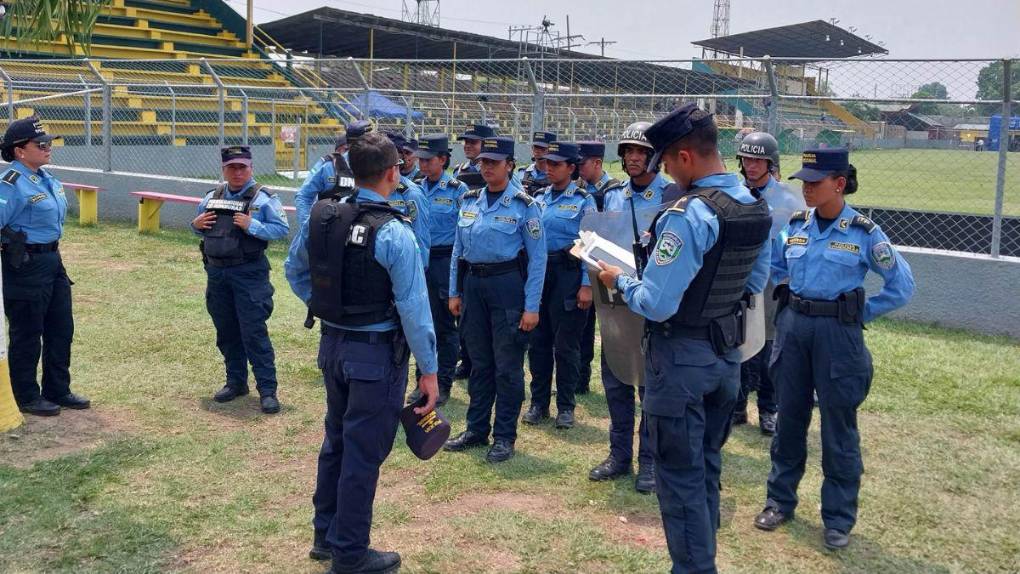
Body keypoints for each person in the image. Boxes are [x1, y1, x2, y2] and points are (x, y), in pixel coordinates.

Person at [597, 103, 773, 574]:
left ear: (685, 157)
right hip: (726, 356)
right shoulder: (753, 206)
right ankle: (703, 553)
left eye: (668, 163)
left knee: (679, 480)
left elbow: (656, 302)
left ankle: (695, 566)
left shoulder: (688, 214)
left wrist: (618, 280)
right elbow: (756, 282)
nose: (667, 173)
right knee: (707, 465)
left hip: (680, 363)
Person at [284, 131, 439, 574]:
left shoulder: (323, 216)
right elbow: (413, 307)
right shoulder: (392, 230)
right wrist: (429, 371)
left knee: (337, 439)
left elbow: (295, 270)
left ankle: (325, 534)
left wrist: (330, 309)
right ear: (395, 172)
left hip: (332, 345)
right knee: (361, 452)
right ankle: (350, 553)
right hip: (373, 356)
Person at [754, 148, 915, 551]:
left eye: (815, 182)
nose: (806, 189)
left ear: (839, 184)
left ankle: (838, 518)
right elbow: (775, 265)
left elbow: (902, 287)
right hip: (794, 328)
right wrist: (789, 291)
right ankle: (779, 501)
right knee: (790, 418)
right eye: (804, 181)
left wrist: (859, 313)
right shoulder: (793, 225)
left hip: (837, 335)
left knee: (838, 427)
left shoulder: (863, 232)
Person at [443, 136, 546, 463]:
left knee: (507, 367)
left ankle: (504, 436)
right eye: (483, 162)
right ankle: (476, 428)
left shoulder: (524, 206)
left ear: (509, 165)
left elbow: (538, 259)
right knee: (479, 363)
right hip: (474, 285)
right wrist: (454, 291)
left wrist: (531, 307)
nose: (486, 167)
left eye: (493, 162)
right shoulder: (470, 200)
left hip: (507, 288)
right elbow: (458, 251)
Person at [589, 121, 670, 494]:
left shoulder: (672, 196)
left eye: (641, 152)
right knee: (616, 378)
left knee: (650, 386)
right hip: (615, 301)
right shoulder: (612, 195)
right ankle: (619, 455)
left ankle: (649, 462)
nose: (634, 158)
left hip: (651, 299)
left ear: (655, 157)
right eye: (628, 152)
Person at [191, 146, 290, 414]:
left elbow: (282, 229)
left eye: (242, 167)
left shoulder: (264, 198)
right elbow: (200, 228)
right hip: (217, 273)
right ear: (223, 170)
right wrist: (195, 224)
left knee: (253, 332)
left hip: (249, 274)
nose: (237, 172)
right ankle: (236, 382)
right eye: (231, 168)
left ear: (251, 168)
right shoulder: (212, 197)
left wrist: (252, 226)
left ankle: (267, 390)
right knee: (226, 330)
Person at [0, 116, 87, 416]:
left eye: (49, 142)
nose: (48, 147)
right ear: (19, 151)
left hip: (52, 261)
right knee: (27, 331)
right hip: (25, 265)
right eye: (41, 144)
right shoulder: (10, 183)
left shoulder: (46, 178)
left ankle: (57, 389)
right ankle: (25, 394)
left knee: (61, 327)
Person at [523, 142, 595, 429]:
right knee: (538, 343)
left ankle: (566, 406)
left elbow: (590, 245)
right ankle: (538, 403)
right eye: (547, 163)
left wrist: (587, 284)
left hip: (568, 274)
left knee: (566, 345)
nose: (548, 168)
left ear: (571, 168)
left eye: (556, 164)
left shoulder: (583, 200)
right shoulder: (538, 199)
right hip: (541, 275)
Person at [732, 131, 789, 435]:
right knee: (737, 341)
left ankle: (769, 408)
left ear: (770, 163)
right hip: (736, 275)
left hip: (772, 279)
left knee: (768, 346)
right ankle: (737, 405)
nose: (752, 165)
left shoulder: (786, 198)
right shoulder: (733, 192)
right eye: (747, 159)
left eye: (759, 160)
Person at [408, 134, 469, 407]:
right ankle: (421, 379)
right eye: (419, 159)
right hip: (419, 261)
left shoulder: (458, 191)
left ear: (443, 160)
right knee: (420, 322)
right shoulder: (414, 189)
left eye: (428, 159)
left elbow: (464, 234)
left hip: (446, 262)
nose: (422, 164)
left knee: (444, 326)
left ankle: (443, 383)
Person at [575, 141, 625, 394]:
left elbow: (614, 230)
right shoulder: (578, 189)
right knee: (582, 328)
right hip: (583, 266)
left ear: (597, 163)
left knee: (611, 327)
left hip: (606, 267)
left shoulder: (614, 191)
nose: (578, 168)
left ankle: (615, 379)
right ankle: (580, 378)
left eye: (582, 163)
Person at [451, 123, 496, 381]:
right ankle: (466, 359)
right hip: (467, 250)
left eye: (474, 142)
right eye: (465, 141)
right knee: (465, 317)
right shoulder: (460, 172)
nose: (468, 145)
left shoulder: (499, 174)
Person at [294, 120, 373, 226]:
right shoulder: (329, 166)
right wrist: (308, 227)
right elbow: (304, 196)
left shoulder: (382, 166)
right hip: (330, 229)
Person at [383, 131, 432, 269]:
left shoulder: (411, 194)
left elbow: (420, 238)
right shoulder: (368, 189)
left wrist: (419, 272)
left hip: (402, 269)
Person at [452, 123, 496, 192]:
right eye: (466, 142)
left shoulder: (499, 171)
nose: (467, 146)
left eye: (473, 142)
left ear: (487, 144)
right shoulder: (458, 171)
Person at [518, 131, 556, 195]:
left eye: (542, 148)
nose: (538, 151)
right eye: (536, 147)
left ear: (552, 150)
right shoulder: (521, 173)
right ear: (532, 148)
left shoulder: (559, 176)